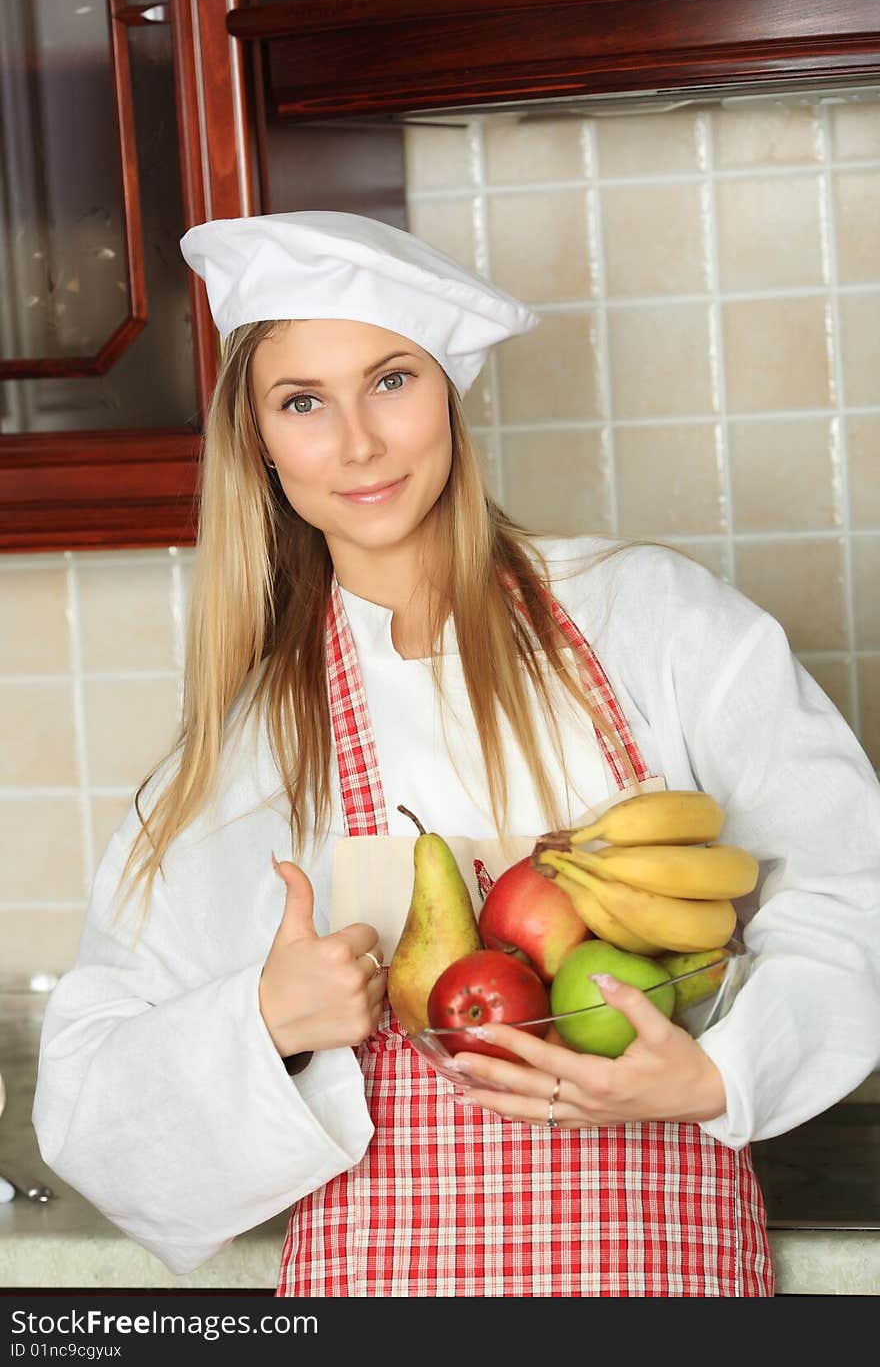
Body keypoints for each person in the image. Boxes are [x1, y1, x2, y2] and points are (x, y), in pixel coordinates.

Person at [32, 210, 880, 1299]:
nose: (357, 443)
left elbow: (853, 879)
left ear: (446, 392)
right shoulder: (247, 748)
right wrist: (265, 1020)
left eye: (390, 381)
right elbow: (86, 1094)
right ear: (258, 439)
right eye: (302, 402)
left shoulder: (650, 622)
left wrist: (721, 1070)